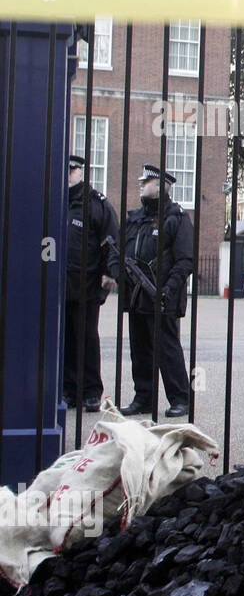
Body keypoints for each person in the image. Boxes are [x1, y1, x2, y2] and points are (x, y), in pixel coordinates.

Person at [119, 164, 194, 418]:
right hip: (137, 296)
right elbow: (120, 253)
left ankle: (181, 398)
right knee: (140, 350)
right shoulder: (135, 217)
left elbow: (185, 260)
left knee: (167, 349)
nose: (141, 184)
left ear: (162, 185)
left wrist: (168, 288)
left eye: (146, 181)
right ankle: (143, 398)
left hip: (163, 297)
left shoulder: (176, 217)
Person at [64, 154, 119, 412]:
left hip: (85, 283)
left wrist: (110, 273)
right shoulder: (57, 199)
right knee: (64, 339)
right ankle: (68, 389)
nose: (68, 174)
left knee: (86, 338)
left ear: (81, 172)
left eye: (72, 169)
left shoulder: (97, 204)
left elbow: (112, 240)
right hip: (59, 284)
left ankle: (91, 391)